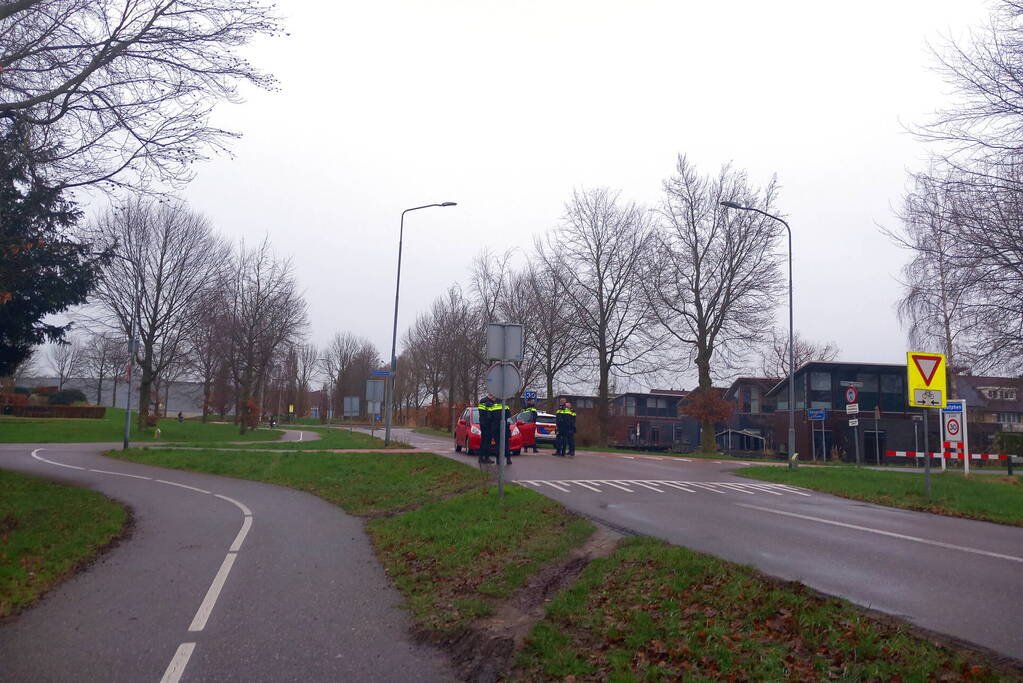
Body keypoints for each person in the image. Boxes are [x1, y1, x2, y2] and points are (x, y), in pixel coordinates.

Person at [477, 393, 497, 464]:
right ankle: (484, 457)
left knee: (485, 441)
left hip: (485, 424)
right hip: (486, 424)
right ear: (492, 396)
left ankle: (483, 457)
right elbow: (487, 414)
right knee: (486, 441)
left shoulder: (485, 401)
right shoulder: (486, 402)